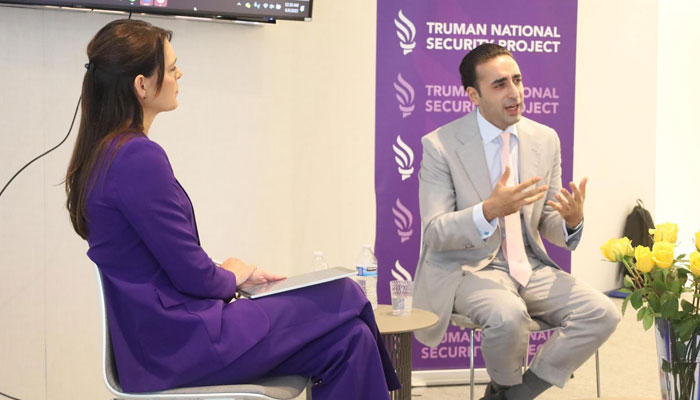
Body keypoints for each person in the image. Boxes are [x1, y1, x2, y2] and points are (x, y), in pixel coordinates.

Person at [65, 19, 399, 399]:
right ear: (141, 85)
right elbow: (193, 276)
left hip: (160, 345)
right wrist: (233, 275)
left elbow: (167, 261)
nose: (179, 75)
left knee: (351, 340)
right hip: (180, 343)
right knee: (343, 292)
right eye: (172, 69)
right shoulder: (136, 157)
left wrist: (230, 274)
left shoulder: (106, 155)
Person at [412, 43, 621, 400]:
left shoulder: (544, 139)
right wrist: (488, 210)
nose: (515, 92)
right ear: (474, 95)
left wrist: (571, 220)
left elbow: (548, 221)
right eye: (500, 84)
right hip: (467, 268)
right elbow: (435, 231)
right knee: (507, 315)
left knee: (602, 312)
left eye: (517, 80)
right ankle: (508, 390)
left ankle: (513, 394)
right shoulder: (440, 146)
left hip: (530, 266)